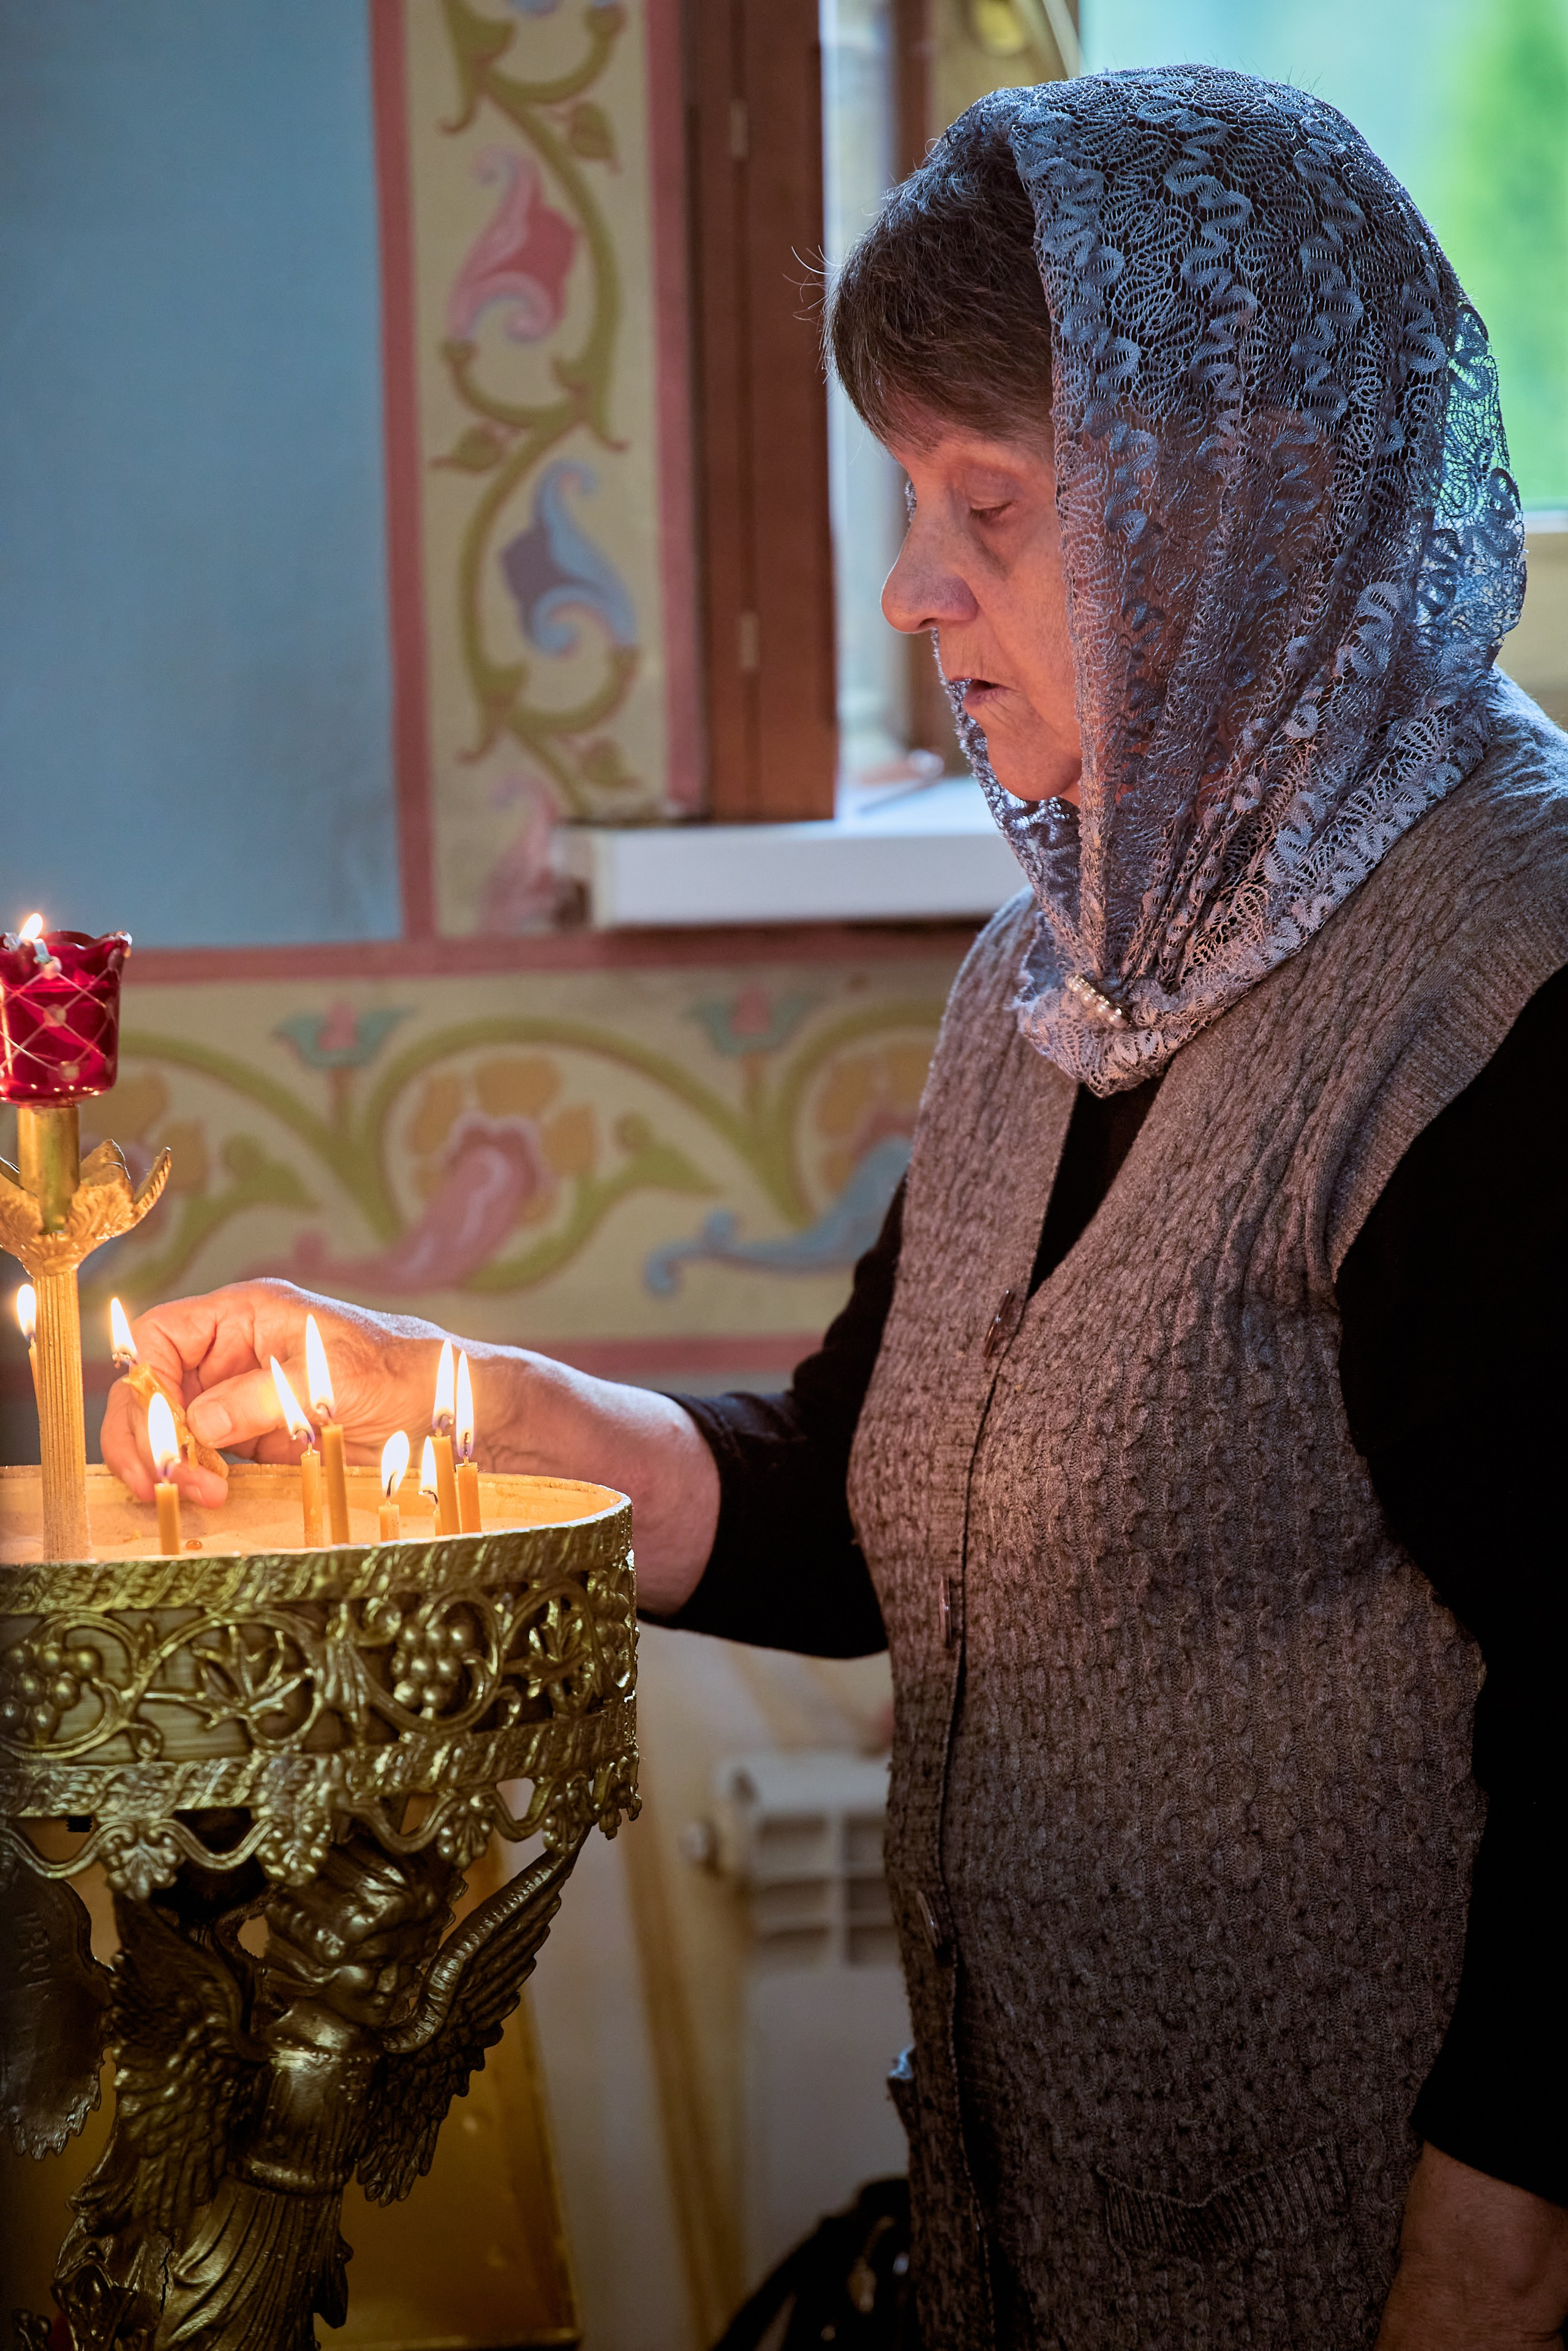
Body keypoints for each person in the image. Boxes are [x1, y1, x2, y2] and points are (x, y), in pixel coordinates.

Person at [103, 66, 1568, 2351]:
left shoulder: (1501, 986)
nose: (910, 587)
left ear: (1256, 507)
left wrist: (1488, 2263)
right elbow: (862, 1502)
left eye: (991, 503)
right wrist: (456, 1403)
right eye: (912, 497)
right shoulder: (1067, 960)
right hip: (1060, 2249)